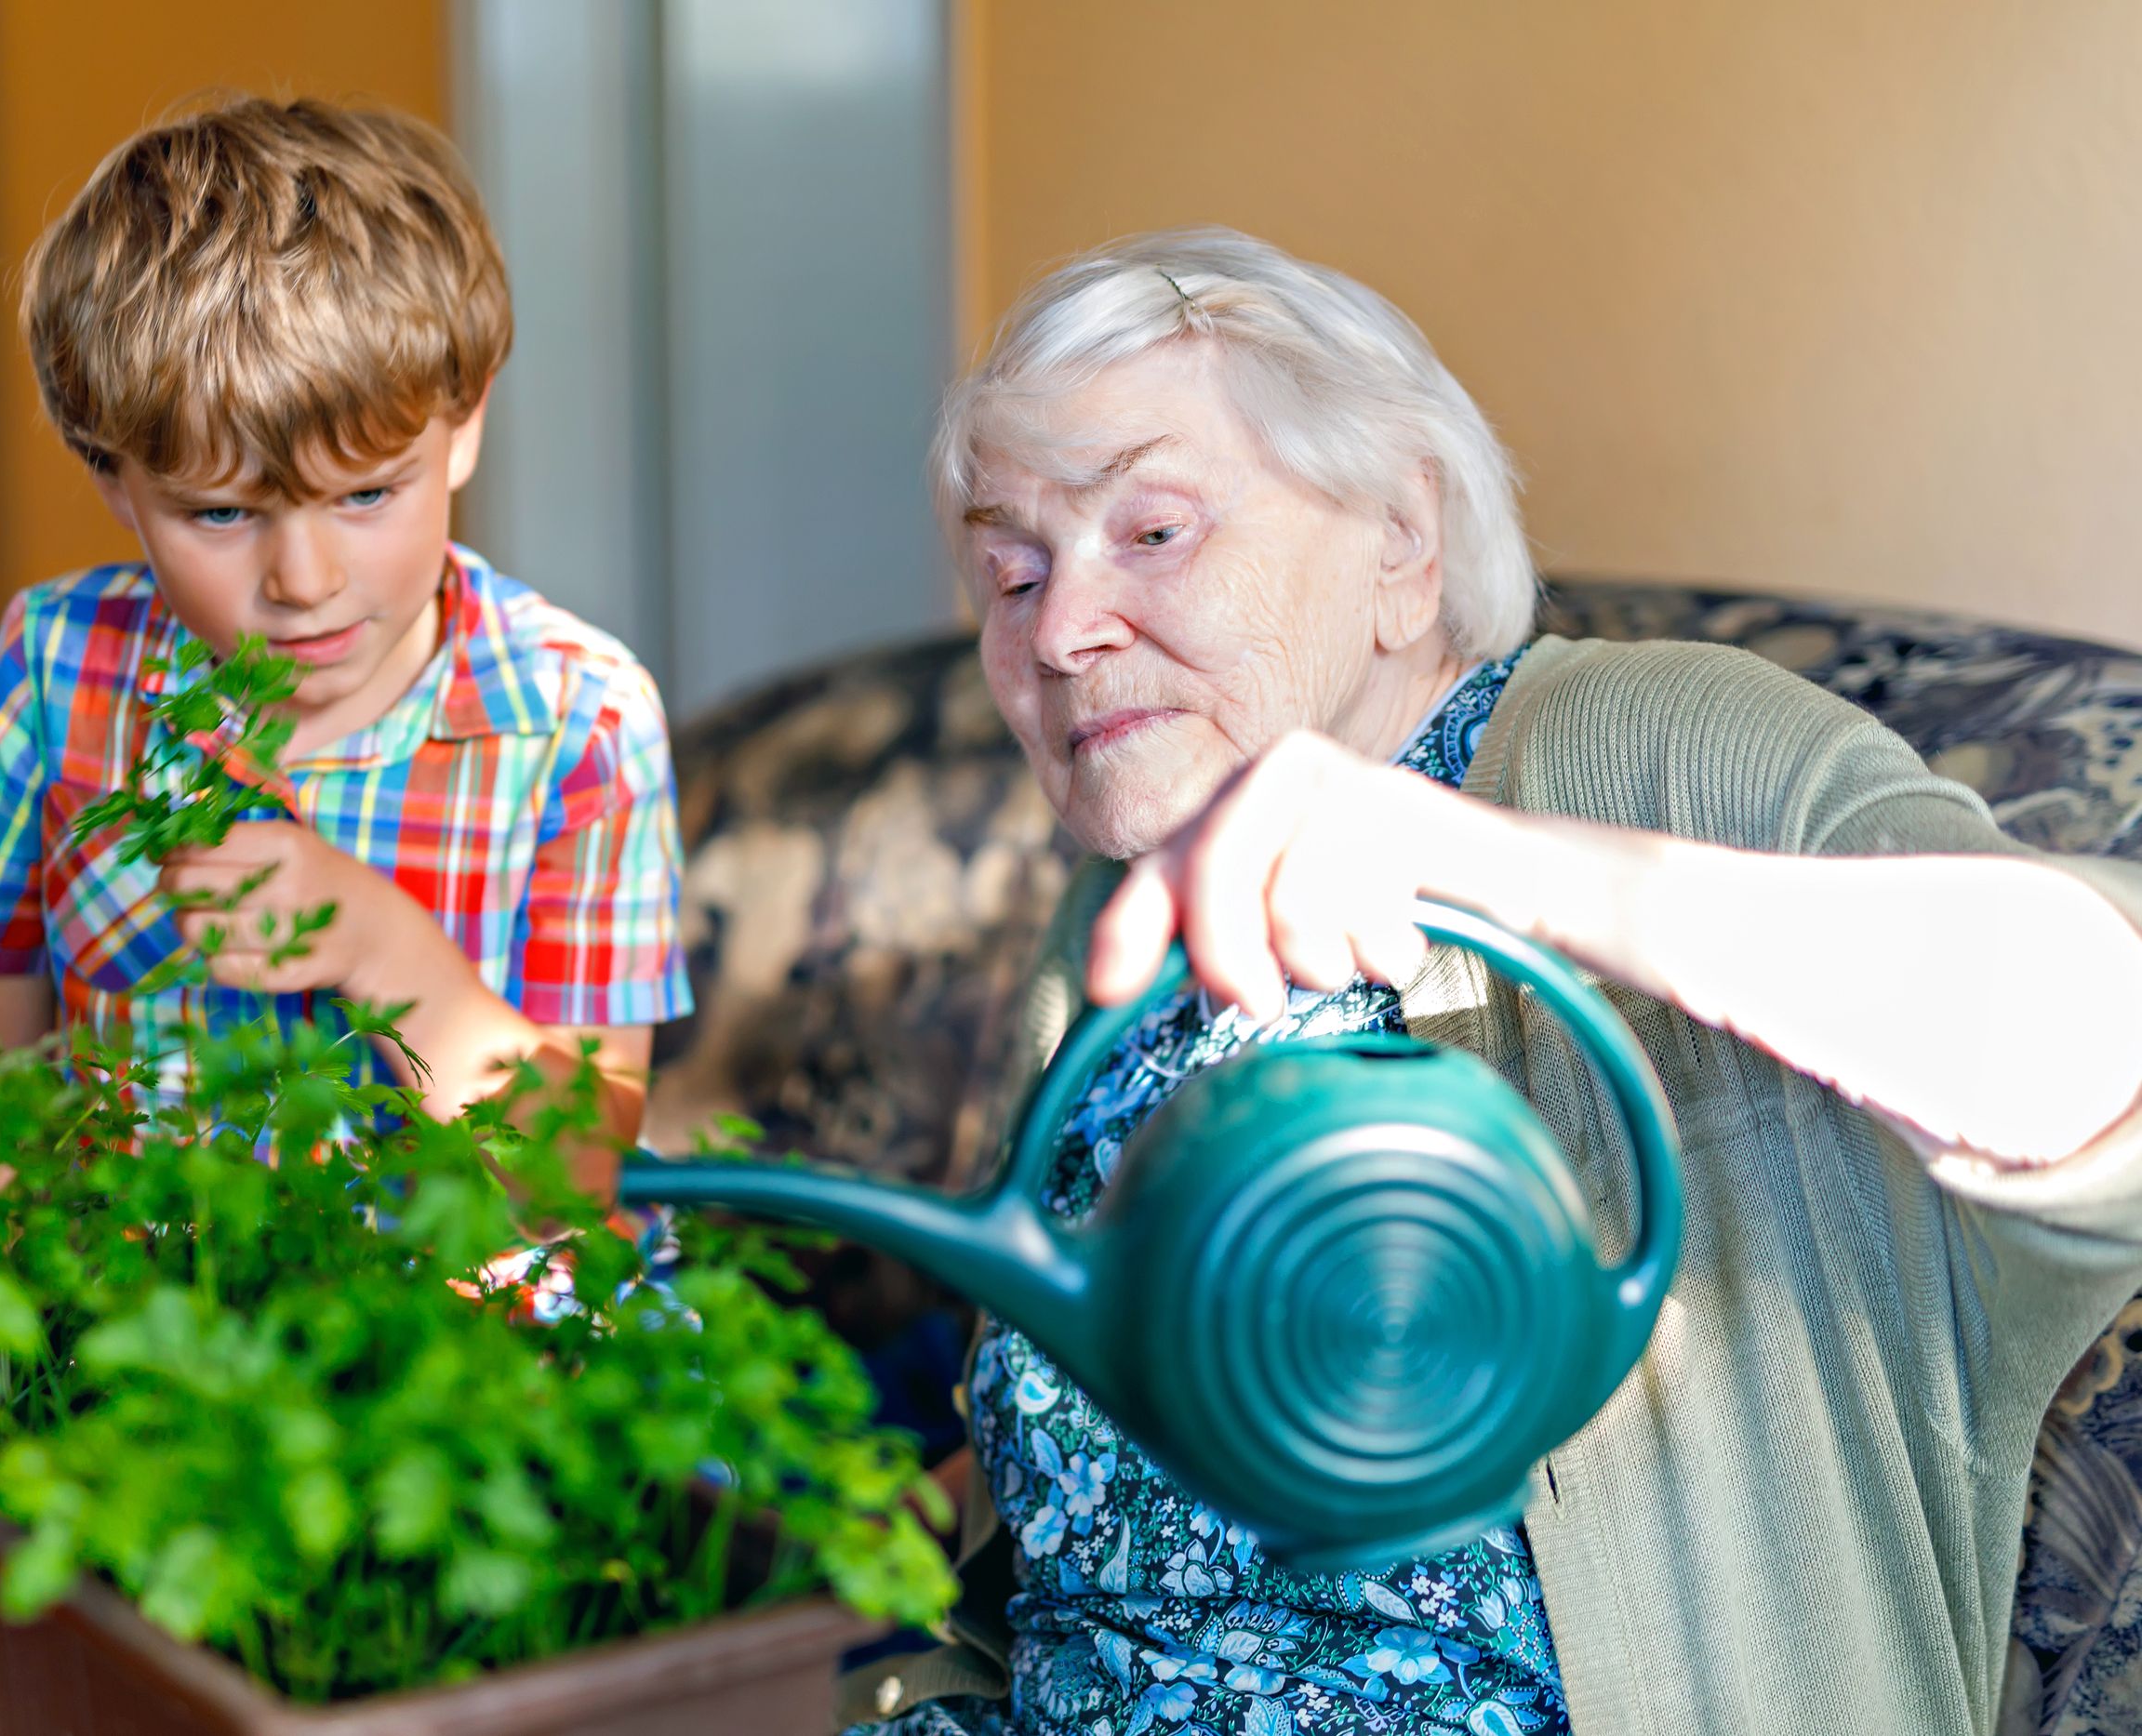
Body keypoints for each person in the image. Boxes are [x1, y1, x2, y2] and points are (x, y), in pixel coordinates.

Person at [850, 228, 2142, 1736]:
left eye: (1152, 533)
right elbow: (1073, 1513)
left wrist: (1485, 860)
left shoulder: (1662, 751)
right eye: (1011, 570)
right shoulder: (1115, 935)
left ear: (1402, 540)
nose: (1058, 633)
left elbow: (2095, 1035)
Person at [0, 98, 688, 1147]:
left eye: (365, 496)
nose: (302, 581)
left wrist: (379, 946)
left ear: (466, 423)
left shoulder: (584, 722)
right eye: (222, 513)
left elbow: (574, 1175)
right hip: (146, 1300)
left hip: (465, 1311)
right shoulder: (52, 671)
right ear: (115, 480)